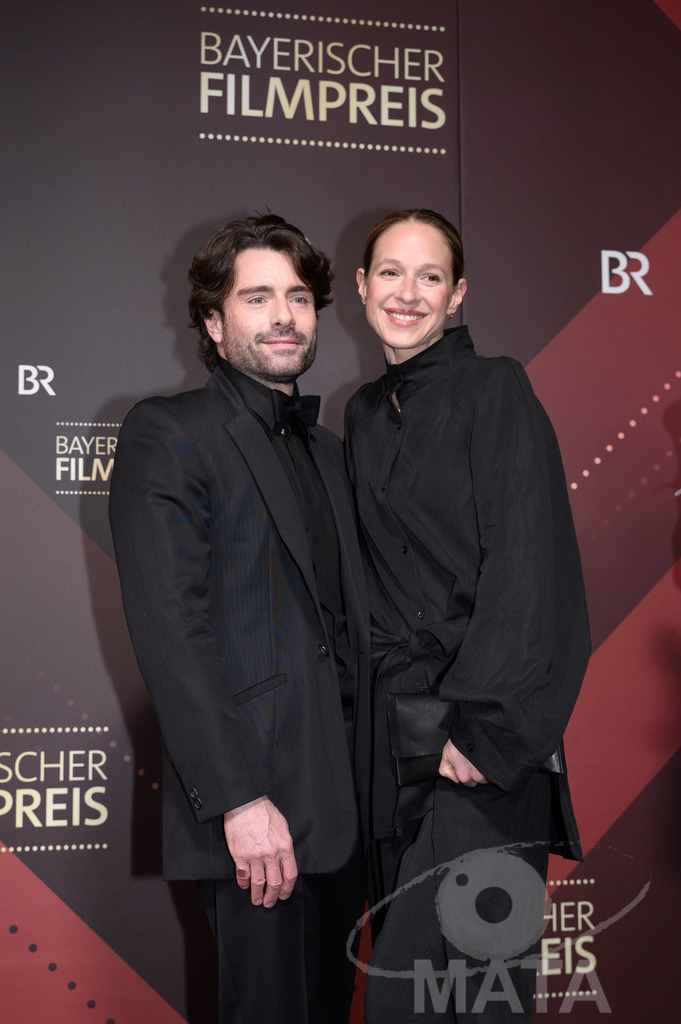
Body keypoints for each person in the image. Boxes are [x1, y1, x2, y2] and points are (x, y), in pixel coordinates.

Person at [109, 214, 369, 1024]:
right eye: (257, 298)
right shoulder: (170, 433)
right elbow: (169, 631)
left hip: (346, 804)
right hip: (254, 809)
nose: (284, 315)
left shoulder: (329, 451)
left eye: (297, 297)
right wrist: (238, 799)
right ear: (216, 327)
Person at [344, 209, 591, 1022]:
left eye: (428, 276)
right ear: (360, 286)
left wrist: (484, 733)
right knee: (404, 992)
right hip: (394, 740)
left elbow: (531, 566)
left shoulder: (496, 388)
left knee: (475, 993)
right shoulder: (362, 415)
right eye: (389, 272)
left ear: (457, 295)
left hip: (481, 742)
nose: (405, 292)